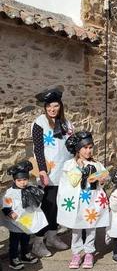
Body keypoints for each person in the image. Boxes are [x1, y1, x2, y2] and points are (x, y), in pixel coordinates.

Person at [57, 131, 109, 269]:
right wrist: (80, 167)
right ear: (78, 149)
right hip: (77, 203)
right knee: (77, 228)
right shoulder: (70, 164)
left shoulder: (97, 164)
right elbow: (72, 182)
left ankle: (89, 252)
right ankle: (76, 252)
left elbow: (103, 177)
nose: (88, 150)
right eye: (85, 148)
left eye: (91, 147)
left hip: (92, 201)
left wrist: (102, 180)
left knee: (91, 227)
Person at [31, 87, 73, 257]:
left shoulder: (67, 124)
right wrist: (42, 171)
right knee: (47, 207)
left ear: (60, 106)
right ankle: (38, 242)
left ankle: (52, 236)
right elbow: (38, 149)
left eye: (55, 106)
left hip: (65, 172)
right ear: (45, 108)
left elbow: (71, 147)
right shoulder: (39, 123)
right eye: (49, 106)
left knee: (58, 207)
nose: (52, 109)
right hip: (48, 172)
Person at [1, 160, 46, 269]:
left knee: (26, 238)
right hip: (15, 222)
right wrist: (10, 212)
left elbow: (38, 194)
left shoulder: (30, 188)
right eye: (19, 180)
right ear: (14, 180)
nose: (22, 182)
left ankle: (25, 255)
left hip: (27, 220)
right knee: (15, 241)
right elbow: (5, 206)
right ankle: (13, 258)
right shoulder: (10, 193)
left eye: (25, 179)